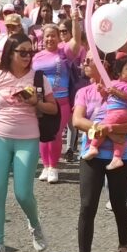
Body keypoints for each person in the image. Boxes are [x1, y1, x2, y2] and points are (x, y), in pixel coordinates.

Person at [0, 33, 57, 252]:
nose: (28, 56)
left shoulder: (39, 78)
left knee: (23, 193)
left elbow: (53, 109)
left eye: (31, 52)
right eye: (23, 52)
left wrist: (35, 102)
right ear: (10, 53)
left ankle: (35, 224)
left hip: (27, 138)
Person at [71, 54, 127, 252]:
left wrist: (113, 127)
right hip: (91, 155)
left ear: (105, 65)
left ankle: (123, 247)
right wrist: (102, 129)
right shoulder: (84, 91)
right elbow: (77, 121)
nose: (86, 63)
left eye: (91, 59)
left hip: (122, 158)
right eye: (85, 60)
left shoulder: (126, 88)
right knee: (87, 206)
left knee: (119, 204)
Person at [32, 14, 81, 183]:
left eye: (53, 35)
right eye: (47, 36)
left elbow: (77, 40)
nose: (50, 39)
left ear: (59, 37)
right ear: (42, 39)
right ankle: (45, 166)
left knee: (56, 134)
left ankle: (54, 167)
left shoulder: (64, 52)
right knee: (43, 134)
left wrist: (75, 20)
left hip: (62, 101)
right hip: (42, 102)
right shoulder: (36, 56)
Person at [83, 57, 127, 171]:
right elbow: (107, 96)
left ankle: (93, 146)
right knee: (119, 136)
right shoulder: (113, 83)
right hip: (114, 112)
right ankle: (117, 157)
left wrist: (114, 91)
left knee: (102, 126)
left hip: (121, 112)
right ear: (120, 72)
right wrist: (102, 91)